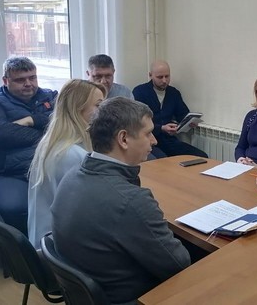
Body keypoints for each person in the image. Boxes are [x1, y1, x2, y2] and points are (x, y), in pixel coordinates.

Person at [51, 97, 191, 304]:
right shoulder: (131, 201)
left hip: (89, 291)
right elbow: (179, 265)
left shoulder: (71, 176)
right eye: (148, 133)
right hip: (132, 296)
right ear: (123, 139)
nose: (154, 141)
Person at [0, 57, 57, 234]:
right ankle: (25, 249)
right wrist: (46, 133)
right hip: (4, 173)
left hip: (46, 169)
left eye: (32, 77)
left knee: (76, 198)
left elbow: (67, 121)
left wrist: (32, 120)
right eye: (20, 79)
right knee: (16, 208)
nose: (28, 83)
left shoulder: (49, 96)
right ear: (5, 80)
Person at [27, 79, 106, 248]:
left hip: (45, 241)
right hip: (58, 249)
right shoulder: (74, 156)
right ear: (77, 108)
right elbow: (91, 213)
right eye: (99, 105)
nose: (104, 112)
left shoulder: (54, 144)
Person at [133, 60, 207, 158]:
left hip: (169, 140)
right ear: (150, 75)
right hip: (148, 140)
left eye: (167, 76)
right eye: (160, 77)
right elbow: (138, 122)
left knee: (202, 156)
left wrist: (190, 122)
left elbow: (182, 114)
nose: (164, 80)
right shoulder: (140, 92)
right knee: (162, 160)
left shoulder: (173, 93)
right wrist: (161, 128)